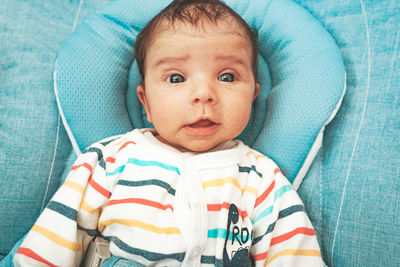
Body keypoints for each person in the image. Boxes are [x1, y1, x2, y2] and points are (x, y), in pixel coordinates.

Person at [14, 0, 325, 266]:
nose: (203, 94)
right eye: (176, 78)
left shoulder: (263, 178)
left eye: (228, 76)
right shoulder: (109, 160)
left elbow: (295, 254)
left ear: (253, 96)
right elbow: (51, 244)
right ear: (146, 103)